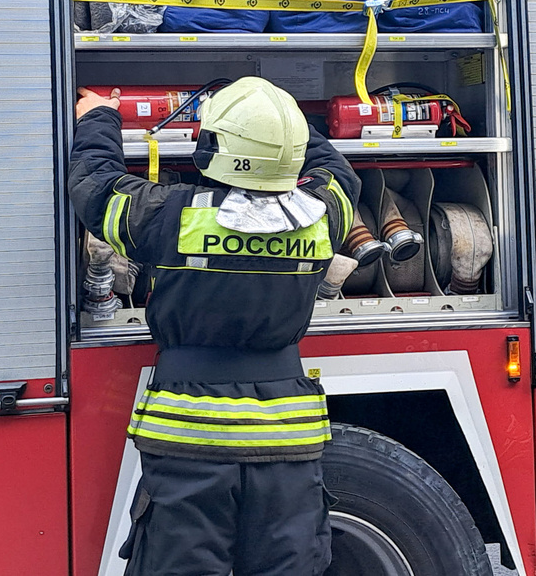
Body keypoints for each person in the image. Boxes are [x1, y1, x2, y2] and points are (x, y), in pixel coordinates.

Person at [68, 76, 360, 576]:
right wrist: (280, 119)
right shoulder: (323, 217)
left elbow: (96, 184)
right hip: (287, 451)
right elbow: (336, 172)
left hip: (188, 448)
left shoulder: (170, 216)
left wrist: (99, 115)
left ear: (210, 147)